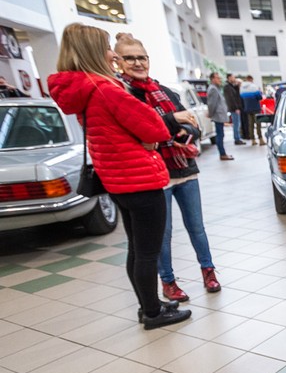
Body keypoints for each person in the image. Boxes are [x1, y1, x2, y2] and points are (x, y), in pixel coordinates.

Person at [48, 23, 190, 329]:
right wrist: (152, 134)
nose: (113, 53)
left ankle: (147, 306)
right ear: (95, 52)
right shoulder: (105, 89)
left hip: (117, 181)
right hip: (140, 180)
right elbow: (156, 129)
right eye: (108, 48)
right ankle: (153, 313)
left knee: (137, 249)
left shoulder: (82, 90)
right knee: (148, 252)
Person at [115, 33, 223, 302]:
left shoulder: (166, 92)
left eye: (142, 57)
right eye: (130, 58)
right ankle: (168, 282)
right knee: (162, 234)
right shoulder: (121, 94)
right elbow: (140, 130)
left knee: (196, 227)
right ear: (118, 61)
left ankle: (208, 271)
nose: (137, 63)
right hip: (153, 175)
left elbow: (191, 125)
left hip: (185, 168)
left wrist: (184, 131)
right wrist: (173, 121)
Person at [205, 72, 233, 161]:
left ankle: (223, 153)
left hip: (219, 115)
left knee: (221, 134)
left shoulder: (215, 88)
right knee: (220, 135)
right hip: (218, 115)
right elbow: (212, 103)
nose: (219, 80)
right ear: (212, 79)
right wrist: (211, 113)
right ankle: (222, 153)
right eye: (217, 78)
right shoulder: (213, 89)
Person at [240, 75, 263, 145]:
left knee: (251, 124)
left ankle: (253, 140)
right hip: (255, 107)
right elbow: (259, 97)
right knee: (258, 124)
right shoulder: (254, 86)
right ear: (251, 79)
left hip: (247, 108)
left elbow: (241, 97)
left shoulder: (242, 88)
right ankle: (260, 139)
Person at [224, 73, 245, 145]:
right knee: (236, 124)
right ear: (229, 78)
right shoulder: (227, 87)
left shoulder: (231, 87)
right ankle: (237, 138)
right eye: (233, 77)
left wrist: (237, 86)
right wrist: (236, 108)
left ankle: (238, 137)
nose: (234, 79)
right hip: (234, 109)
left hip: (235, 108)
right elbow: (231, 99)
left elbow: (236, 95)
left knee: (237, 123)